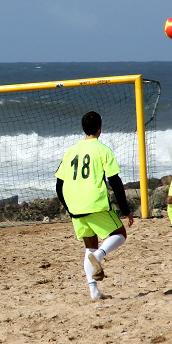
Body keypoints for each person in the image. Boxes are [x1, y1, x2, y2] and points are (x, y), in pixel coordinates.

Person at [54, 111, 134, 300]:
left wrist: (69, 208)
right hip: (95, 203)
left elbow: (59, 185)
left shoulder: (71, 150)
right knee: (120, 234)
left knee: (89, 245)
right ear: (100, 128)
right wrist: (126, 211)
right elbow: (115, 181)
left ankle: (94, 290)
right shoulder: (103, 150)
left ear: (82, 129)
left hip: (74, 205)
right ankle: (99, 256)